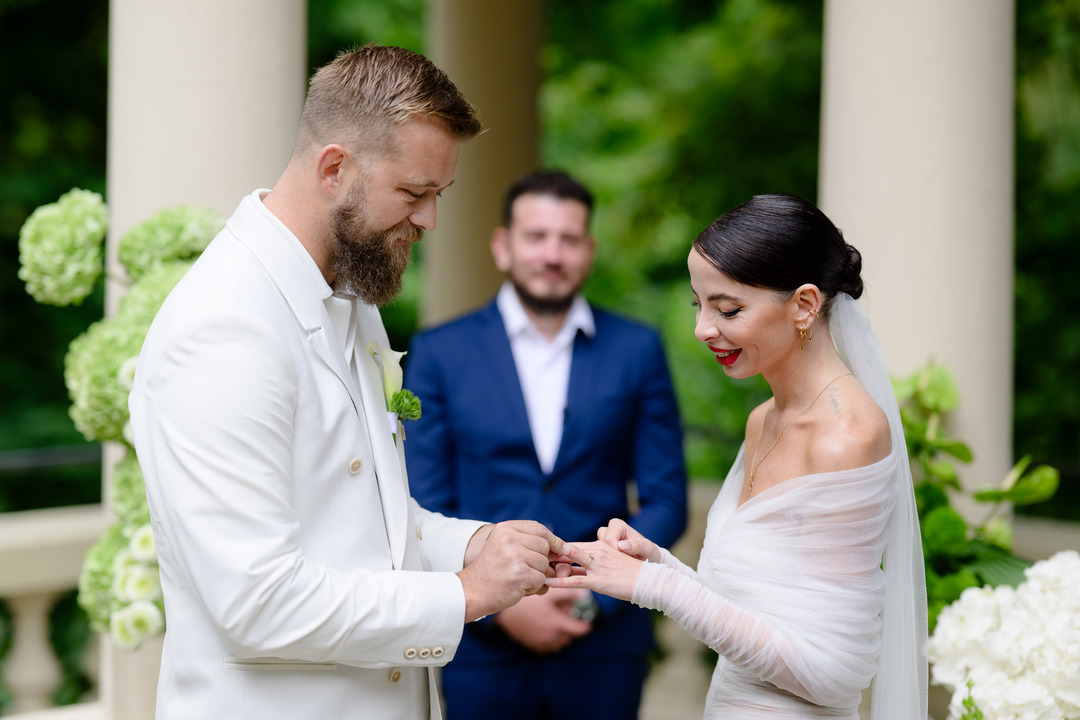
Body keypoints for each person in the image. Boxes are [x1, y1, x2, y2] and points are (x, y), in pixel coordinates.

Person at [128, 45, 569, 720]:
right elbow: (259, 603)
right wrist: (466, 593)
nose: (428, 220)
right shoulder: (224, 327)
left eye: (437, 196)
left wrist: (479, 544)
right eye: (414, 193)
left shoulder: (351, 297)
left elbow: (368, 521)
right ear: (335, 168)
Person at [549, 194, 928, 719]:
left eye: (728, 309)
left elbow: (833, 670)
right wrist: (656, 563)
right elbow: (754, 611)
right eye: (698, 305)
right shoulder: (762, 420)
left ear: (804, 305)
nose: (703, 328)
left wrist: (654, 588)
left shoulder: (846, 438)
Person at [402, 170, 688, 719]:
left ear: (589, 251)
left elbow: (666, 498)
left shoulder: (637, 350)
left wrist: (590, 595)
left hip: (604, 647)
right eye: (536, 236)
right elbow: (424, 497)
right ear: (503, 246)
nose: (552, 254)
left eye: (569, 239)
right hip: (481, 643)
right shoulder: (440, 352)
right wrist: (502, 601)